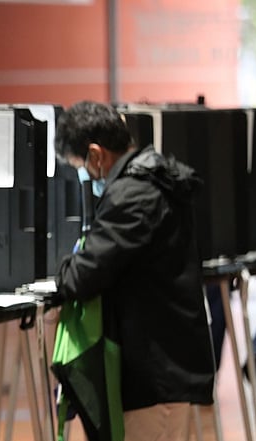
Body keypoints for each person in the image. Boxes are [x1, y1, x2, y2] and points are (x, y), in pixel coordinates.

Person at [54, 100, 216, 440]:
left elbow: (81, 276)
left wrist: (64, 265)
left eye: (80, 167)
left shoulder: (134, 195)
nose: (86, 178)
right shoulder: (155, 179)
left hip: (153, 376)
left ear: (96, 155)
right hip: (165, 367)